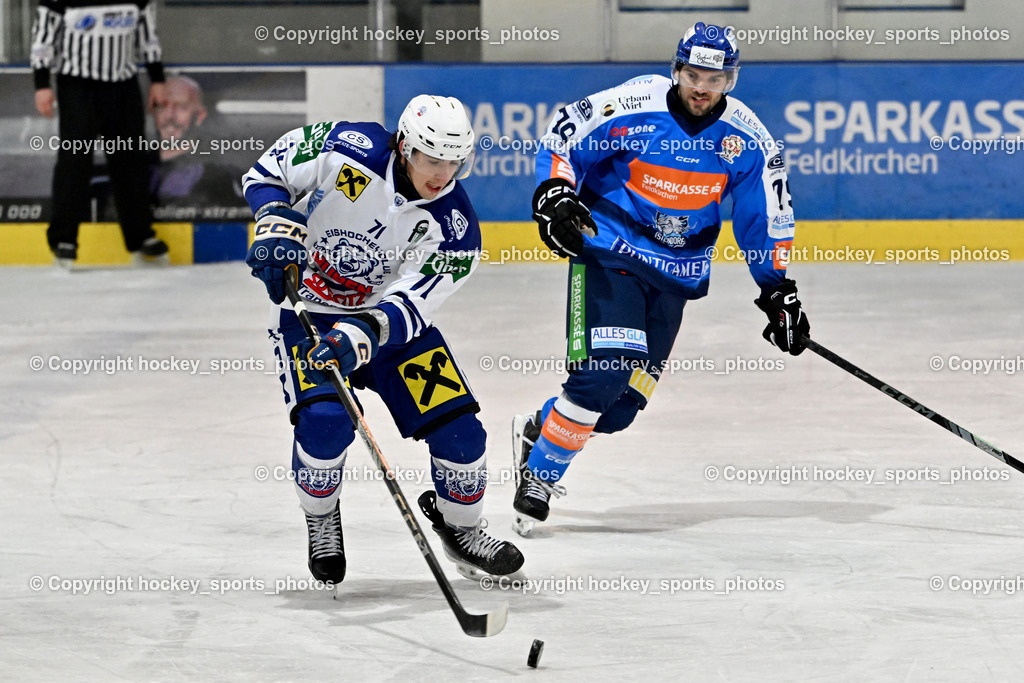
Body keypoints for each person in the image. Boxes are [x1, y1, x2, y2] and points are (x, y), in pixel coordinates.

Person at [511, 22, 809, 535]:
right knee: (601, 376)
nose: (702, 87)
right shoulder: (634, 104)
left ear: (731, 82)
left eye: (715, 79)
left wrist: (777, 288)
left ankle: (542, 426)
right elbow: (564, 134)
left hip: (676, 274)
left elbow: (766, 217)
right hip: (608, 251)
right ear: (676, 71)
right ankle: (539, 477)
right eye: (693, 74)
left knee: (623, 405)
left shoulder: (748, 138)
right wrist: (556, 194)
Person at [242, 95, 525, 584]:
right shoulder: (348, 148)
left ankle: (462, 530)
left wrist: (363, 332)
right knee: (326, 425)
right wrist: (272, 218)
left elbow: (415, 302)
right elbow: (267, 171)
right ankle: (321, 516)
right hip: (307, 314)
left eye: (454, 161)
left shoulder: (456, 230)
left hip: (390, 329)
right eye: (432, 159)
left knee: (462, 435)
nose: (443, 173)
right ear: (404, 148)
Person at [31, 0, 170, 269]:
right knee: (75, 163)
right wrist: (41, 84)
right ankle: (64, 240)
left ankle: (140, 236)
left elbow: (148, 36)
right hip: (77, 86)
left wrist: (157, 78)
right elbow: (43, 38)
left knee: (131, 163)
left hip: (123, 86)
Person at [150, 75, 242, 215]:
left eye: (181, 107)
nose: (169, 115)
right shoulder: (128, 167)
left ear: (199, 116)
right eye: (161, 106)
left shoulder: (219, 175)